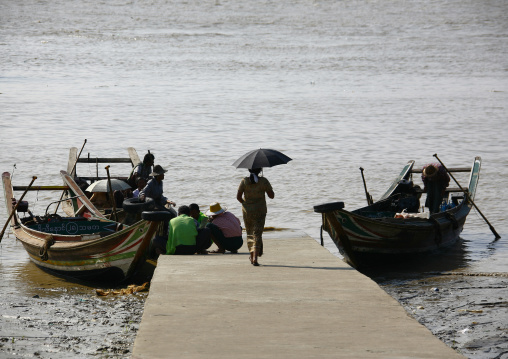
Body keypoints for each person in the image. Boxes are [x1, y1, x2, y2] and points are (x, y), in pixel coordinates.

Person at [237, 168, 274, 266]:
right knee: (257, 233)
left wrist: (245, 204)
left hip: (247, 211)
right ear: (260, 170)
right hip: (260, 210)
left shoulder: (244, 181)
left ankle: (252, 255)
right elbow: (271, 196)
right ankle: (255, 258)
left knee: (249, 233)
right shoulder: (264, 181)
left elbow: (238, 197)